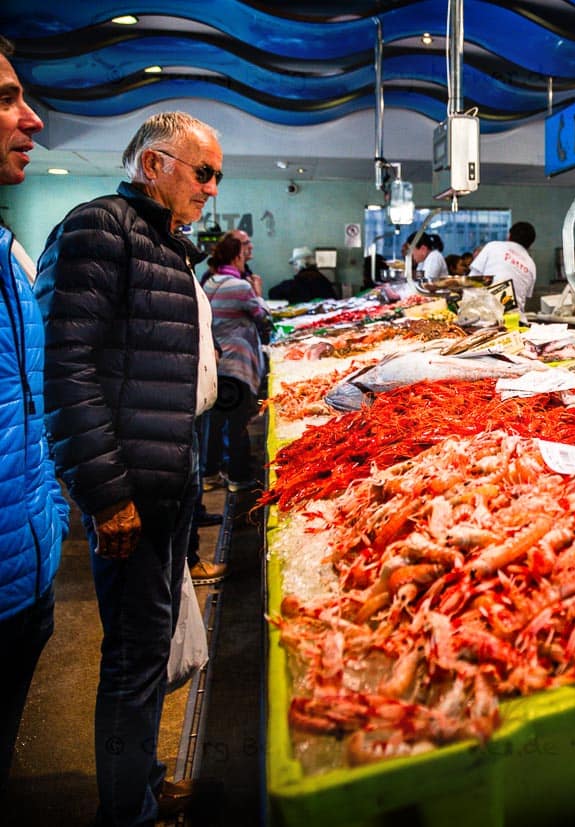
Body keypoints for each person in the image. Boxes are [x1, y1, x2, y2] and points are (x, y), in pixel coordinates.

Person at [35, 110, 223, 825]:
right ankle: (128, 813)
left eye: (215, 176)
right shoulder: (99, 229)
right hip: (131, 497)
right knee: (132, 660)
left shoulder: (165, 245)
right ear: (154, 164)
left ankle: (141, 781)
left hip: (167, 489)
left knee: (148, 646)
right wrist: (106, 493)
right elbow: (66, 371)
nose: (210, 188)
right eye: (201, 171)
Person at [0, 35, 69, 800]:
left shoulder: (9, 261)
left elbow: (33, 402)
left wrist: (48, 521)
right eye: (5, 99)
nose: (34, 120)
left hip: (27, 575)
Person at [202, 233, 270, 497]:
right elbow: (263, 317)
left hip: (215, 365)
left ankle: (209, 474)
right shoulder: (240, 287)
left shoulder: (209, 283)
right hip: (237, 366)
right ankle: (239, 478)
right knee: (238, 424)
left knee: (215, 422)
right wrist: (258, 293)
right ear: (237, 255)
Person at [469, 221, 537, 314]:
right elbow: (524, 295)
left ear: (509, 235)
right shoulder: (531, 264)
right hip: (516, 320)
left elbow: (472, 280)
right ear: (530, 244)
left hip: (484, 316)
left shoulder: (493, 246)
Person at [268, 246, 335, 303]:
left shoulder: (293, 285)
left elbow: (272, 293)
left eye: (294, 264)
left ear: (297, 265)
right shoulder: (324, 281)